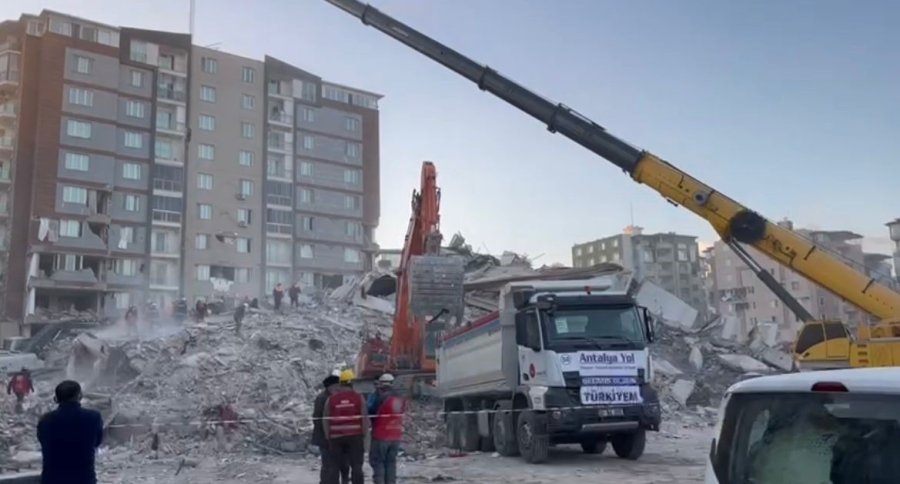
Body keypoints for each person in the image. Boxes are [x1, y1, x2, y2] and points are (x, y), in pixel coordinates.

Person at [37, 380, 103, 484]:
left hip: (52, 479)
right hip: (83, 479)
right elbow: (97, 442)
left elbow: (43, 441)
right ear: (80, 396)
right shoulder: (93, 417)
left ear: (56, 399)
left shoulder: (45, 420)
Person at [323, 369, 368, 484]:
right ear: (352, 382)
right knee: (356, 466)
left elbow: (325, 419)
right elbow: (364, 417)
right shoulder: (359, 397)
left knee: (335, 467)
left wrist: (329, 436)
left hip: (336, 438)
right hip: (355, 437)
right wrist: (364, 434)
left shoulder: (331, 399)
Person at [367, 373, 405, 484]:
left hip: (381, 435)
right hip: (396, 435)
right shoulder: (400, 397)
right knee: (391, 463)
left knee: (378, 462)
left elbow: (370, 411)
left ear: (381, 383)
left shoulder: (379, 397)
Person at [313, 374, 348, 484]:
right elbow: (317, 418)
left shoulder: (337, 397)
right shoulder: (322, 398)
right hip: (325, 438)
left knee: (336, 464)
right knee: (328, 465)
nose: (338, 388)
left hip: (336, 437)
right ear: (329, 386)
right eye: (336, 385)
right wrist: (327, 433)